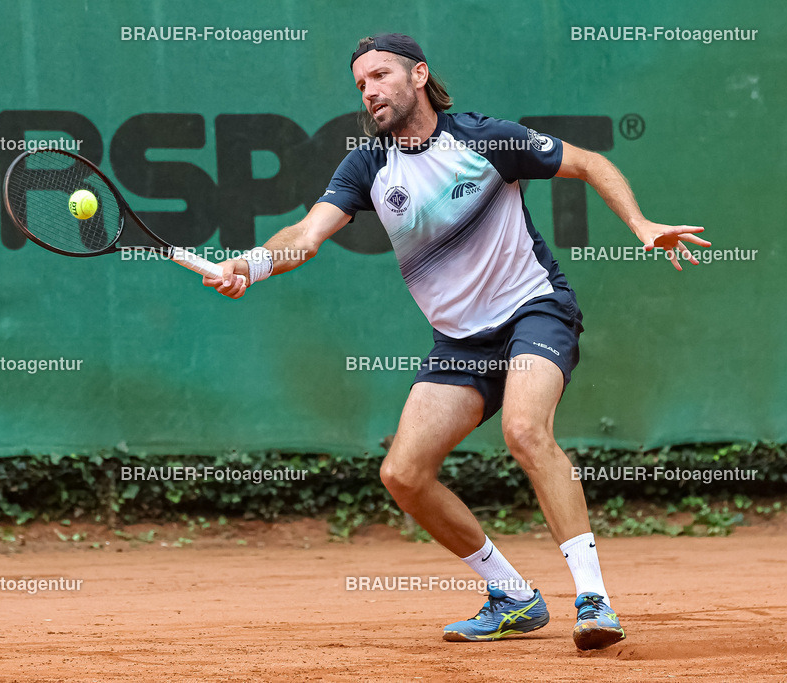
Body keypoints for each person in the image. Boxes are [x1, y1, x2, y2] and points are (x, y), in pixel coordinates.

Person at [204, 33, 709, 650]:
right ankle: (512, 597)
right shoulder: (367, 166)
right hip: (460, 342)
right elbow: (307, 236)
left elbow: (588, 162)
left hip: (533, 309)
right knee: (404, 474)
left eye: (381, 76)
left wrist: (640, 224)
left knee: (525, 430)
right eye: (361, 83)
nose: (370, 92)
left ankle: (593, 599)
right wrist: (251, 265)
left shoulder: (486, 138)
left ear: (419, 76)